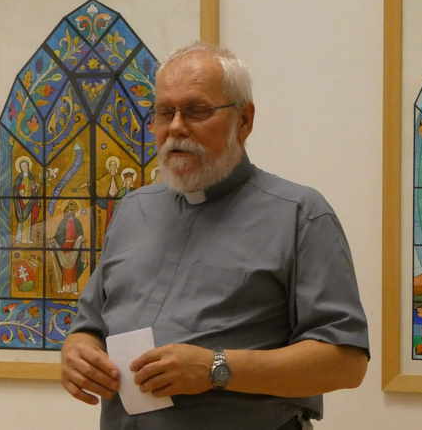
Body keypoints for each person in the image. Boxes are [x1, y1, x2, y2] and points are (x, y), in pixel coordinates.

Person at [60, 42, 369, 429]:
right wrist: (77, 351)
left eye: (196, 110)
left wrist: (216, 368)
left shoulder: (300, 215)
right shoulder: (132, 209)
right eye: (164, 112)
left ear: (244, 120)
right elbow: (89, 326)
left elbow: (346, 362)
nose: (176, 127)